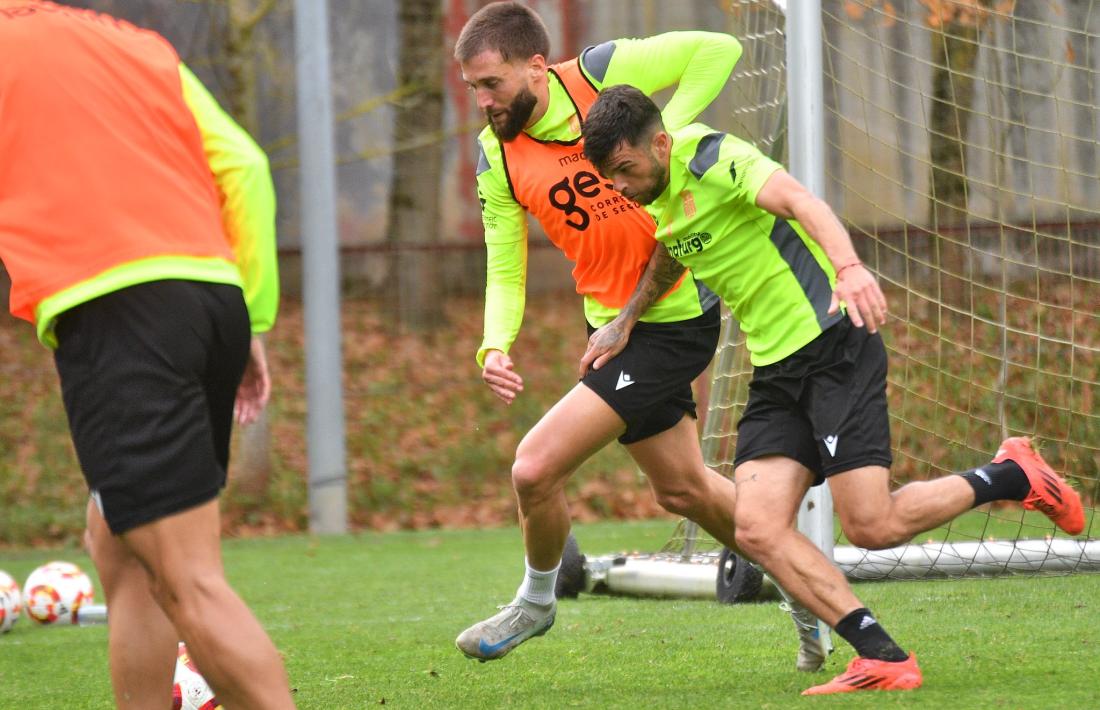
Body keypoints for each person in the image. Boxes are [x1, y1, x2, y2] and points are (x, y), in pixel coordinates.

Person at [579, 83, 1086, 695]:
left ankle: (1012, 475)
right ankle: (882, 655)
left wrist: (849, 269)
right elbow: (674, 247)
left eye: (626, 171)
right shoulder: (655, 193)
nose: (620, 188)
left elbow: (800, 201)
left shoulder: (713, 156)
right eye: (610, 179)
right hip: (775, 370)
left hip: (833, 345)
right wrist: (627, 319)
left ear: (658, 143)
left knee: (871, 525)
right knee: (757, 530)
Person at [450, 1, 839, 669]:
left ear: (536, 67)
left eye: (492, 84)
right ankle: (801, 583)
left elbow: (717, 52)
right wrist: (494, 344)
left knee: (534, 468)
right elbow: (505, 266)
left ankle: (537, 600)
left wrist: (672, 139)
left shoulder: (598, 74)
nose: (483, 101)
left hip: (671, 317)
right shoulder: (498, 158)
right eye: (473, 89)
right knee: (684, 487)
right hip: (611, 328)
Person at [0, 4, 295, 708]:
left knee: (188, 577)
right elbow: (247, 168)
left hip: (121, 311)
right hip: (212, 298)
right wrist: (249, 315)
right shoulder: (136, 45)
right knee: (122, 550)